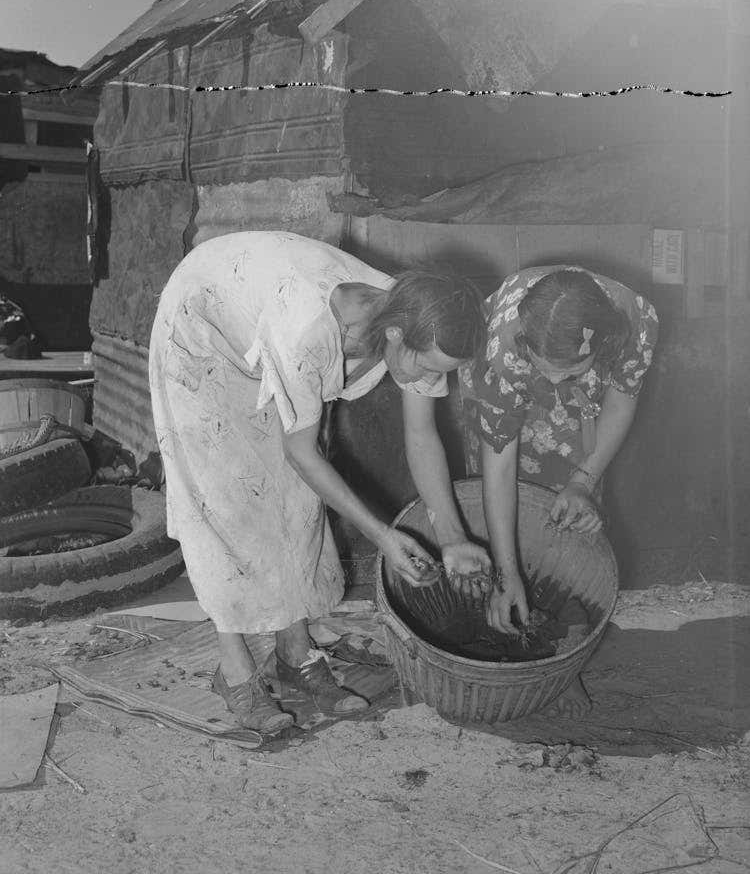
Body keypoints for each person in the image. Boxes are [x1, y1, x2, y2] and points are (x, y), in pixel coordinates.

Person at [149, 230, 492, 735]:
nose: (425, 377)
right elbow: (301, 453)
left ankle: (294, 652)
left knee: (298, 500)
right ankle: (235, 668)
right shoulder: (310, 328)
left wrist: (454, 537)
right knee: (226, 500)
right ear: (396, 335)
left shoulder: (420, 320)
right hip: (199, 331)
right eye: (425, 365)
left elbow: (422, 436)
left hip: (260, 325)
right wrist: (382, 536)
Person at [460, 265, 659, 715]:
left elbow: (621, 400)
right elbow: (500, 460)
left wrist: (583, 479)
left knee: (573, 510)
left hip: (585, 400)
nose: (551, 382)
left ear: (600, 345)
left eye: (565, 370)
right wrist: (506, 571)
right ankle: (505, 619)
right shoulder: (504, 348)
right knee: (504, 517)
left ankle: (559, 657)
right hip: (505, 381)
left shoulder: (636, 322)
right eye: (545, 369)